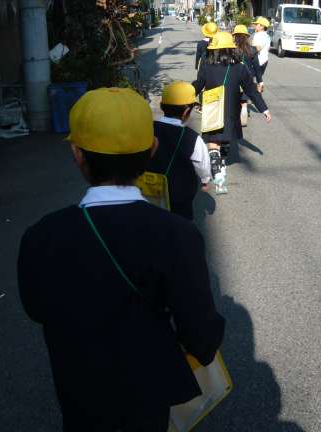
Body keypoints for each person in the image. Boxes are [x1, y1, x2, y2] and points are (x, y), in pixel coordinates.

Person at [18, 87, 225, 432]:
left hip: (78, 387)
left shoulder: (42, 235)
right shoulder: (178, 235)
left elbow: (36, 309)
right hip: (148, 392)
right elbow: (201, 334)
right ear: (152, 149)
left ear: (77, 155)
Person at [193, 32, 271, 194]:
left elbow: (198, 84)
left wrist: (184, 97)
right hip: (231, 111)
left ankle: (217, 174)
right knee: (225, 141)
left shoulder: (206, 65)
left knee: (213, 143)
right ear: (232, 49)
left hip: (212, 109)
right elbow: (251, 90)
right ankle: (221, 169)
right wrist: (264, 108)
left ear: (214, 50)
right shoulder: (240, 68)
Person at [148, 81, 212, 221]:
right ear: (187, 112)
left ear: (161, 106)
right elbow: (202, 164)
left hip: (148, 190)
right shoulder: (193, 138)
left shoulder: (147, 128)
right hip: (179, 195)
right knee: (181, 223)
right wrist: (205, 180)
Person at [252, 16, 271, 89]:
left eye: (257, 24)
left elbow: (258, 48)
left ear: (262, 27)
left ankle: (257, 90)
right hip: (263, 61)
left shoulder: (261, 35)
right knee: (257, 79)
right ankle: (258, 90)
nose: (255, 26)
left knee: (248, 78)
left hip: (258, 61)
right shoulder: (266, 36)